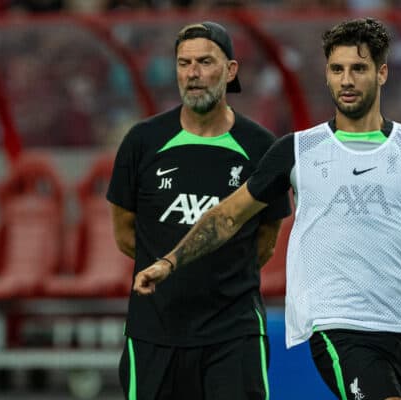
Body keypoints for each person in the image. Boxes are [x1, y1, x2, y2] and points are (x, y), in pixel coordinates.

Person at [133, 18, 401, 400]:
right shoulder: (298, 150)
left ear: (382, 73)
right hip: (339, 323)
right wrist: (169, 261)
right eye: (337, 69)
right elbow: (228, 215)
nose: (346, 80)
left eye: (358, 68)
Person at [107, 21, 291, 400]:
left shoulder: (259, 146)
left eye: (205, 62)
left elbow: (266, 240)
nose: (193, 73)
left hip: (233, 331)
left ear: (231, 70)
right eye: (183, 63)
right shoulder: (142, 141)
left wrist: (218, 277)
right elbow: (126, 233)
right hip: (155, 330)